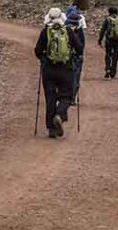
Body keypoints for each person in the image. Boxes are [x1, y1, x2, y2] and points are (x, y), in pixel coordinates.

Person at [34, 7, 84, 138]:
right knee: (66, 96)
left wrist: (44, 59)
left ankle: (51, 128)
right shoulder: (68, 31)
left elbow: (37, 51)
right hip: (66, 69)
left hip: (49, 70)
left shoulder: (45, 31)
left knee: (50, 98)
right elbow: (79, 49)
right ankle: (60, 115)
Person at [65, 5, 86, 105]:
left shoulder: (64, 30)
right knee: (76, 78)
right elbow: (81, 45)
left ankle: (65, 96)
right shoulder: (79, 30)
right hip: (76, 57)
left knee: (67, 76)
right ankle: (72, 98)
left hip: (66, 57)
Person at [98, 6, 118, 78]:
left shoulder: (107, 20)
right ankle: (113, 72)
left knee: (108, 55)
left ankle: (107, 69)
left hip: (109, 40)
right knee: (115, 56)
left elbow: (102, 31)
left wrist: (100, 40)